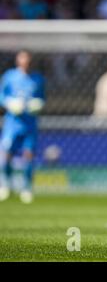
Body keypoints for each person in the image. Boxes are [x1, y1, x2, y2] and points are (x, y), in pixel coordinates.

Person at [0, 50, 45, 203]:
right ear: (18, 60)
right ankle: (5, 184)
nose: (25, 61)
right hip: (12, 124)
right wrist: (9, 103)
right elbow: (1, 95)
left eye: (28, 58)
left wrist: (37, 105)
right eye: (22, 58)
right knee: (7, 153)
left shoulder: (38, 79)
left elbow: (41, 97)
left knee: (28, 154)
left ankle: (27, 188)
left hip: (30, 125)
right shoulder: (9, 76)